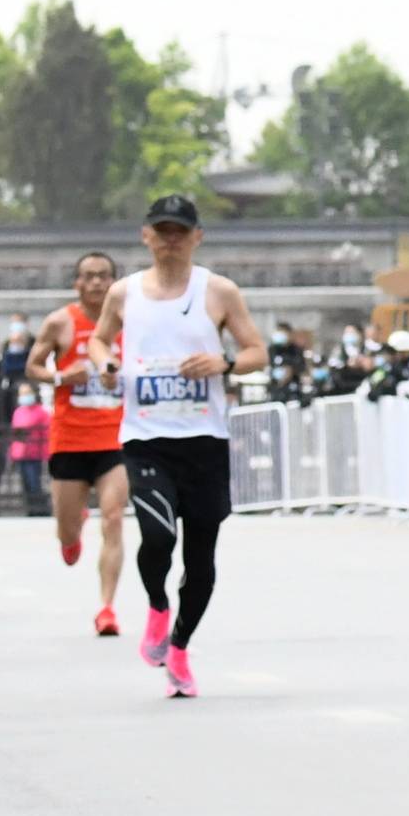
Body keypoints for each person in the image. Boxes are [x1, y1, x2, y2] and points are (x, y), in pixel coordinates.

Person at [99, 194, 269, 699]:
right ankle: (156, 605)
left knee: (200, 555)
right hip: (146, 436)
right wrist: (106, 364)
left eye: (180, 231)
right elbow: (99, 340)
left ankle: (180, 645)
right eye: (162, 230)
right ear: (145, 235)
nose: (170, 240)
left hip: (204, 440)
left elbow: (257, 351)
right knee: (156, 535)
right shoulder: (123, 293)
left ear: (197, 237)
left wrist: (224, 364)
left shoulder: (219, 291)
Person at [25, 252, 132, 635]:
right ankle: (72, 531)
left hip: (114, 438)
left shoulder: (131, 323)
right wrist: (59, 378)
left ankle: (107, 608)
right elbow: (32, 366)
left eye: (105, 276)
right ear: (77, 283)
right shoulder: (60, 322)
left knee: (115, 517)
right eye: (89, 277)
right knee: (67, 533)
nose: (97, 284)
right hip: (70, 440)